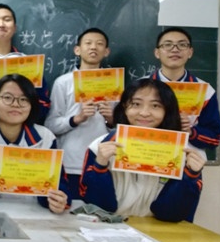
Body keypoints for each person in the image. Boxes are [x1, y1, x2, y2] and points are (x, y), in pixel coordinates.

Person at [79, 79, 206, 222]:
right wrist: (100, 166)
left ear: (167, 111)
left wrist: (190, 176)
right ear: (124, 108)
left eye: (155, 106)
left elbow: (171, 214)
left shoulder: (182, 153)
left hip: (158, 229)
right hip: (111, 226)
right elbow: (98, 207)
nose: (144, 113)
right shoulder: (99, 147)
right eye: (136, 104)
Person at [0, 74, 70, 213]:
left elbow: (59, 183)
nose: (16, 104)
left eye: (24, 99)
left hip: (33, 214)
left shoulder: (46, 137)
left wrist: (57, 199)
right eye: (7, 98)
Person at [44, 28, 114, 199]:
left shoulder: (114, 84)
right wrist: (77, 118)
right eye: (88, 43)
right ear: (77, 50)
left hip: (103, 162)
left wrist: (110, 119)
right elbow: (50, 125)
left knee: (98, 211)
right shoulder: (63, 83)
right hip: (70, 163)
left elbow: (122, 128)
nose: (93, 47)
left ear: (106, 51)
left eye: (99, 44)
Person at [146, 27, 220, 150]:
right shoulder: (139, 87)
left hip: (188, 158)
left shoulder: (205, 91)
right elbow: (125, 126)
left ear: (190, 52)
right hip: (148, 154)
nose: (175, 49)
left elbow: (215, 138)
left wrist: (190, 131)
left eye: (182, 45)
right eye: (168, 45)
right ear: (157, 53)